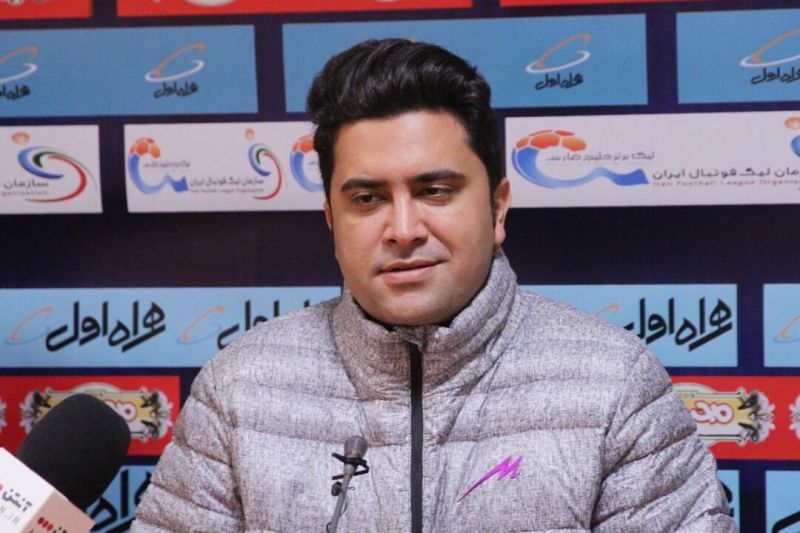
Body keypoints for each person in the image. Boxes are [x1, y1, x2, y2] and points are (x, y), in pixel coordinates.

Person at [133, 38, 736, 532]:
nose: (403, 229)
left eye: (435, 191)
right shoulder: (241, 389)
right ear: (331, 220)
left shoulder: (612, 384)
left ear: (498, 207)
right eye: (367, 199)